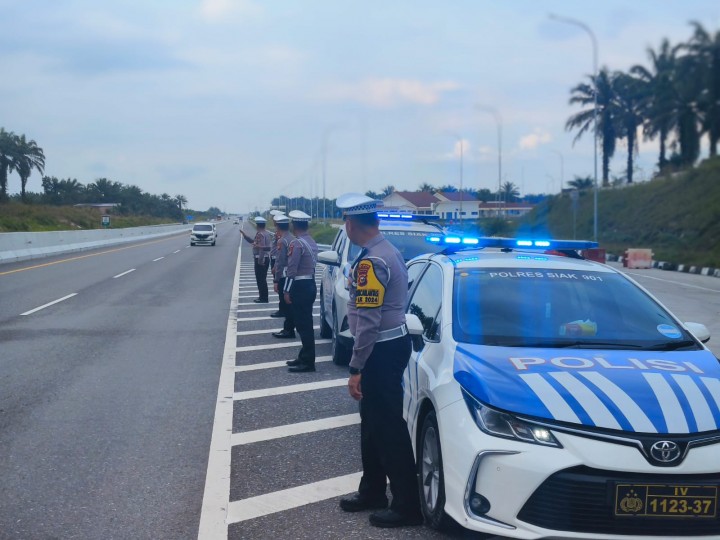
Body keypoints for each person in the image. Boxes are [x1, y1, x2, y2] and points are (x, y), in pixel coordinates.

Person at [335, 193, 422, 529]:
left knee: (387, 428)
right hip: (388, 347)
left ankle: (407, 505)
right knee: (372, 424)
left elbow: (368, 323)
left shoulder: (372, 262)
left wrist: (356, 368)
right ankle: (372, 490)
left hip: (379, 352)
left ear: (352, 224)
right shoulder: (388, 253)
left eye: (346, 221)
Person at [283, 210, 318, 372]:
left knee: (303, 325)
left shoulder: (296, 244)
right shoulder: (311, 241)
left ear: (294, 225)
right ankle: (304, 356)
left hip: (300, 286)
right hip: (310, 283)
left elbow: (292, 269)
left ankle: (308, 362)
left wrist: (287, 290)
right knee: (305, 323)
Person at [271, 214, 297, 337]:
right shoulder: (293, 238)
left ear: (277, 226)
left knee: (287, 304)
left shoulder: (282, 240)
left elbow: (280, 262)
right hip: (293, 275)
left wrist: (276, 280)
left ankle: (288, 330)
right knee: (290, 304)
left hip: (284, 276)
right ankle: (289, 328)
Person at [240, 216, 273, 303]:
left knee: (260, 279)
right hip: (266, 258)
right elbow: (265, 247)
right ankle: (263, 297)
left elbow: (261, 248)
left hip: (260, 259)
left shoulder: (260, 234)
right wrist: (245, 236)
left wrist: (260, 260)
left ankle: (263, 298)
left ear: (257, 225)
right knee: (263, 279)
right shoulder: (266, 233)